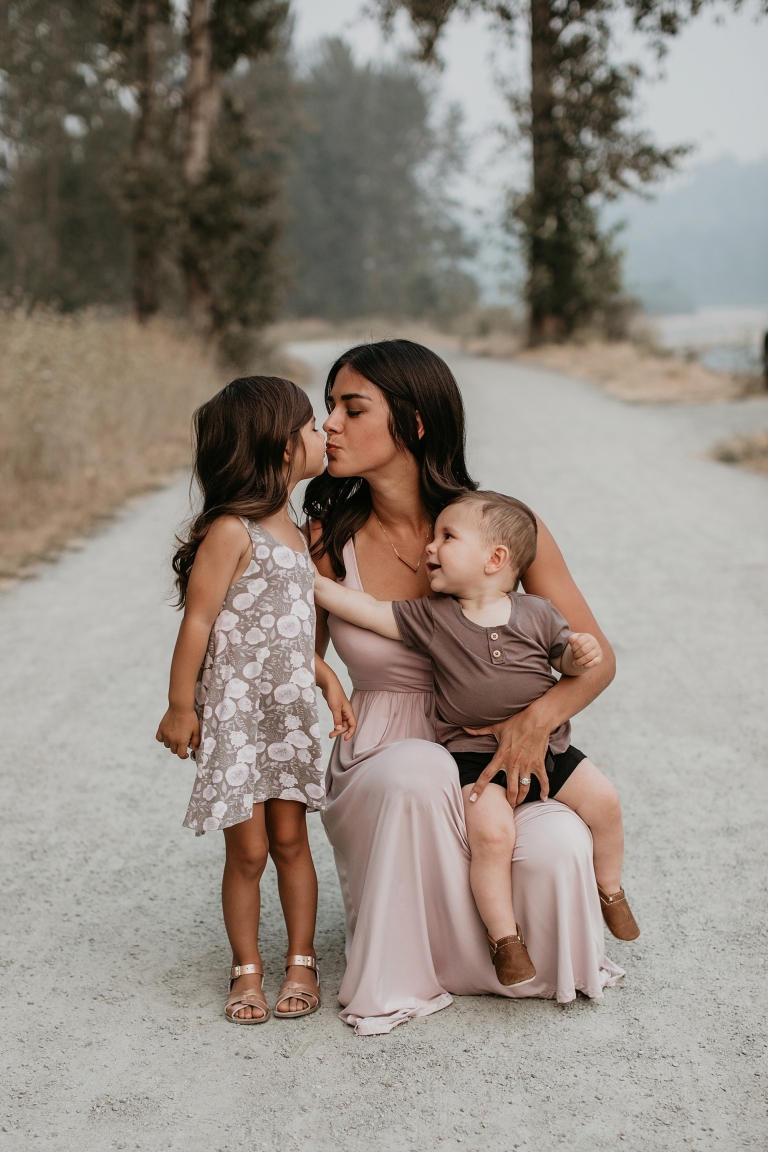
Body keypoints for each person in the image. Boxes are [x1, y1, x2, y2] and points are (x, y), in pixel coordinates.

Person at [305, 339, 625, 1035]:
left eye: (351, 408)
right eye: (329, 406)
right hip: (386, 757)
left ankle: (514, 957)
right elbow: (293, 651)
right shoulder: (327, 535)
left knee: (559, 847)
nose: (328, 423)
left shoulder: (502, 529)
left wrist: (535, 722)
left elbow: (594, 658)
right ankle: (402, 966)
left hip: (492, 756)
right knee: (419, 769)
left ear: (416, 423)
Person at [314, 488, 639, 990]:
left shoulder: (537, 612)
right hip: (473, 760)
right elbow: (368, 608)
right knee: (492, 838)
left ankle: (611, 891)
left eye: (447, 538)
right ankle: (505, 939)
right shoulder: (433, 617)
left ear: (495, 559)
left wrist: (580, 655)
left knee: (606, 802)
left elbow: (563, 658)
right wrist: (309, 581)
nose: (430, 546)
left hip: (548, 750)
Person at [156, 376, 355, 1025]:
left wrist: (324, 677)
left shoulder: (299, 533)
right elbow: (198, 622)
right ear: (279, 446)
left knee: (292, 841)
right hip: (238, 717)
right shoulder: (231, 531)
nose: (322, 433)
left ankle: (302, 960)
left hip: (287, 715)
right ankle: (246, 969)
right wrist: (181, 706)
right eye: (311, 425)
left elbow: (291, 630)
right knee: (247, 851)